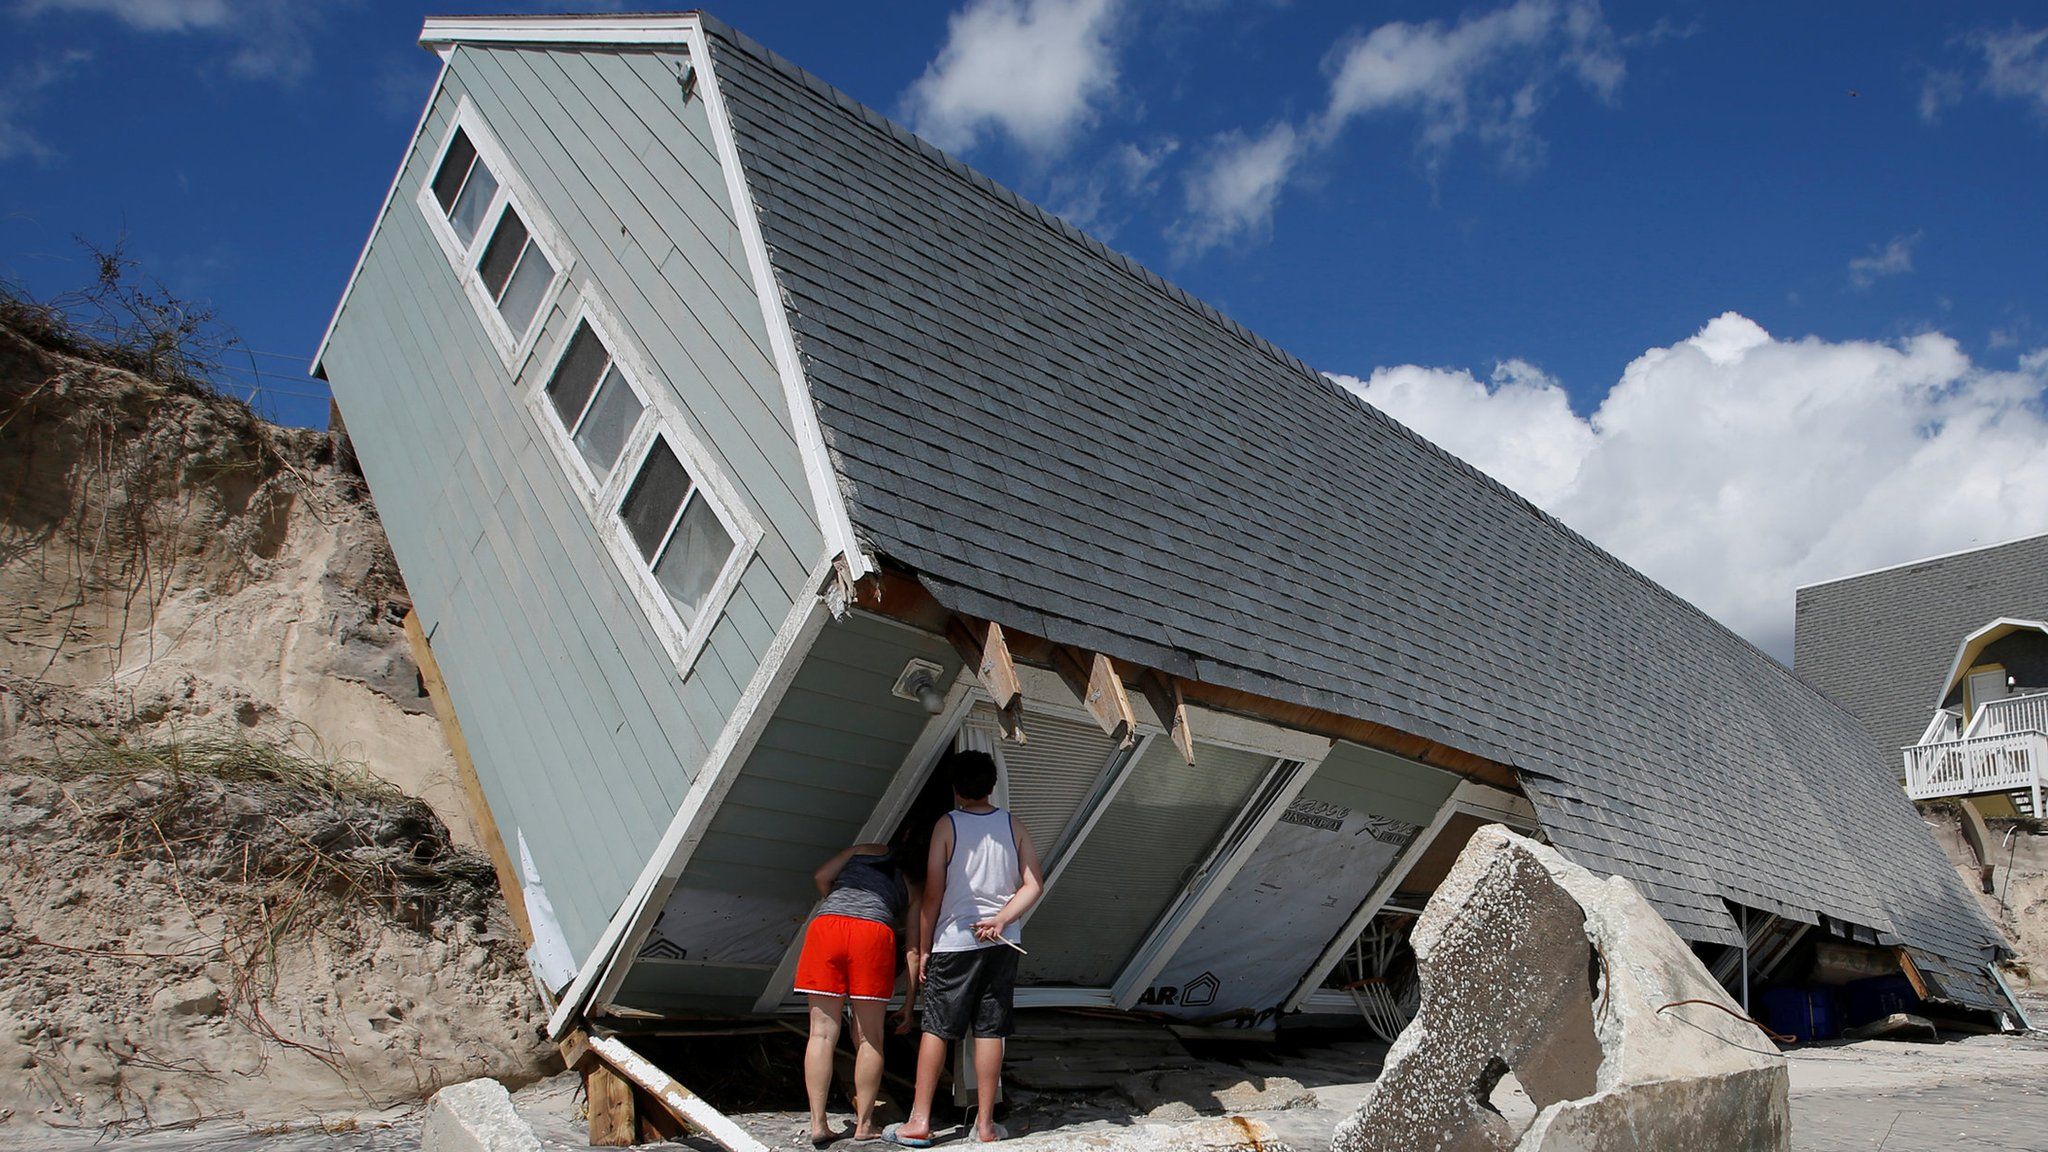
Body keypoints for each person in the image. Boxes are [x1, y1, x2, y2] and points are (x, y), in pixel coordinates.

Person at [885, 750, 1044, 1146]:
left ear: (956, 789)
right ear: (992, 786)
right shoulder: (1013, 825)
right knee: (990, 1030)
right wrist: (1002, 919)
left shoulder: (947, 825)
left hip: (955, 942)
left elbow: (933, 894)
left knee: (938, 1028)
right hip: (1003, 943)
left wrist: (922, 948)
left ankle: (919, 1122)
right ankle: (986, 1126)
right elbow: (1033, 885)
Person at [794, 832, 923, 1146]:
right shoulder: (913, 888)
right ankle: (864, 1126)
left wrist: (837, 904)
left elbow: (821, 876)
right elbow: (913, 950)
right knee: (870, 1038)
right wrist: (909, 1003)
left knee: (822, 1033)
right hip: (873, 934)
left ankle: (818, 1124)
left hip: (827, 928)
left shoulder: (865, 849)